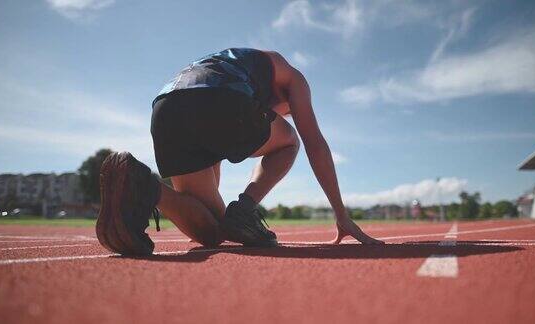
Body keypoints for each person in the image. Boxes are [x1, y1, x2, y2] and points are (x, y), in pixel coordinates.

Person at [96, 48, 384, 256]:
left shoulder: (234, 67)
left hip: (165, 107)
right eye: (285, 112)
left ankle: (146, 187)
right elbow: (315, 143)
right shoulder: (292, 77)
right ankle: (246, 209)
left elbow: (212, 161)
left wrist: (216, 215)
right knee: (290, 141)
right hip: (218, 97)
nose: (279, 116)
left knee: (212, 233)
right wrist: (341, 213)